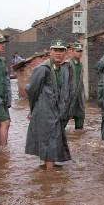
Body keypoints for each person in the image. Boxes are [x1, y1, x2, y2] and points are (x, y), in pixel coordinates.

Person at [25, 39, 74, 169]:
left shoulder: (63, 68)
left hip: (57, 111)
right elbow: (31, 90)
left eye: (61, 50)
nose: (58, 53)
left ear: (65, 52)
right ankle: (49, 177)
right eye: (55, 50)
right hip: (45, 111)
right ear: (50, 52)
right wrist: (34, 108)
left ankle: (48, 172)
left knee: (53, 140)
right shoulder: (43, 69)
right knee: (50, 141)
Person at [68, 42, 85, 130]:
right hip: (69, 98)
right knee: (63, 120)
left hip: (79, 98)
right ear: (72, 51)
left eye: (81, 51)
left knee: (80, 119)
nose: (79, 53)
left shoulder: (81, 65)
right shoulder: (68, 65)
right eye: (77, 51)